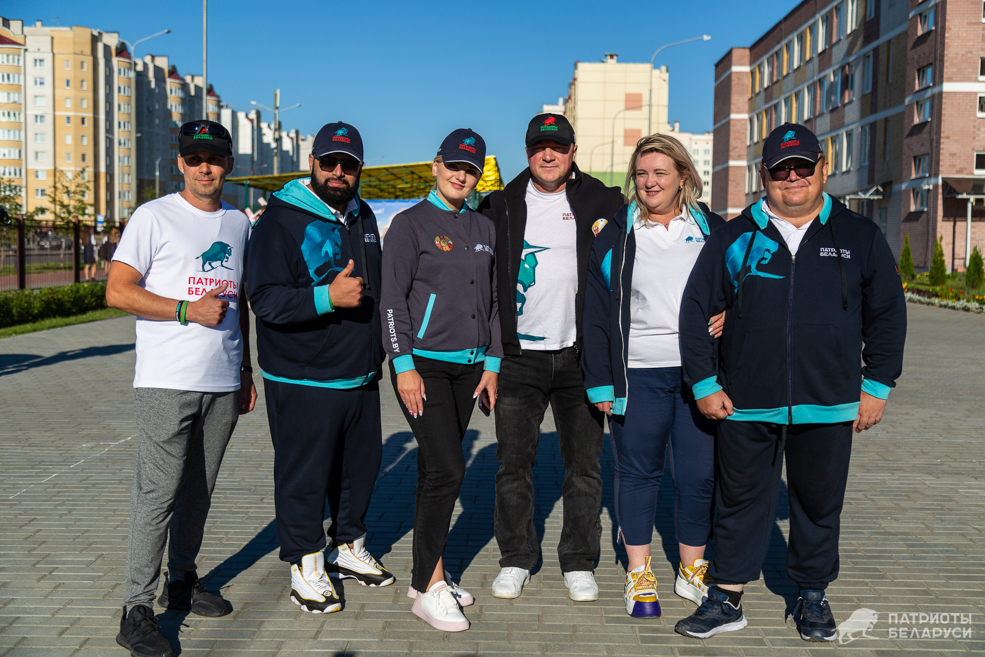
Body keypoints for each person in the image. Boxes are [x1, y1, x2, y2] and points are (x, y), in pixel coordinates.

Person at [675, 123, 906, 641]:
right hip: (744, 401)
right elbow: (696, 310)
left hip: (829, 400)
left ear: (823, 168)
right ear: (765, 176)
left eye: (804, 166)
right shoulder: (733, 236)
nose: (794, 177)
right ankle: (727, 597)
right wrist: (704, 383)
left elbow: (887, 315)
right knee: (738, 502)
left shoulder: (859, 235)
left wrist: (877, 386)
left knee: (819, 504)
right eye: (782, 169)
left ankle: (812, 596)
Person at [106, 119, 256, 657]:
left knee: (199, 490)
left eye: (213, 158)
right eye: (194, 158)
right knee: (158, 493)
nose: (204, 167)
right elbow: (117, 291)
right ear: (181, 164)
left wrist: (246, 369)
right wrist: (185, 310)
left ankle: (182, 581)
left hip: (223, 380)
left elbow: (239, 300)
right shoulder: (153, 216)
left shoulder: (239, 223)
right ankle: (136, 609)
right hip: (167, 381)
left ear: (229, 164)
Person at [247, 122, 393, 615]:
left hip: (359, 373)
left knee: (360, 470)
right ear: (312, 162)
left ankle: (347, 547)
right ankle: (305, 563)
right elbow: (264, 299)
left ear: (359, 169)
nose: (337, 172)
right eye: (329, 162)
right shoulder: (278, 220)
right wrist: (326, 297)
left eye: (347, 164)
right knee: (304, 476)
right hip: (302, 376)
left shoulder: (362, 214)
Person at [476, 114, 624, 602]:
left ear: (572, 152)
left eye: (557, 147)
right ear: (527, 152)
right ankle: (516, 557)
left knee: (584, 466)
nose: (548, 155)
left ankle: (578, 561)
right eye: (539, 146)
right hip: (518, 357)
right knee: (513, 464)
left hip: (581, 357)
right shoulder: (499, 204)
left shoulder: (603, 201)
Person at [582, 134, 725, 618]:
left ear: (683, 176)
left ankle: (691, 570)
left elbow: (741, 286)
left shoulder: (712, 228)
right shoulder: (617, 233)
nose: (650, 182)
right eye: (642, 173)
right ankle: (638, 573)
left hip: (699, 374)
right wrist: (600, 380)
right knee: (638, 473)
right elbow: (595, 311)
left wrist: (731, 314)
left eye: (661, 172)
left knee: (698, 475)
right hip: (638, 372)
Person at [380, 128, 500, 632]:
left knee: (433, 472)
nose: (461, 176)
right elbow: (391, 300)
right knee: (449, 470)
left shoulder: (484, 226)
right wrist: (402, 364)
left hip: (470, 368)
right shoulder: (409, 225)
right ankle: (430, 591)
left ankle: (425, 576)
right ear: (436, 166)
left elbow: (495, 301)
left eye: (470, 170)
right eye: (453, 165)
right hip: (423, 367)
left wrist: (493, 363)